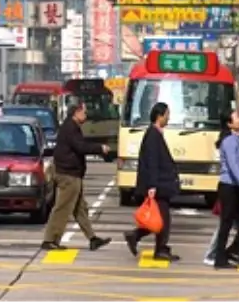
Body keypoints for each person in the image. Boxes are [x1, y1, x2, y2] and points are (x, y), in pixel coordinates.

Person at [41, 101, 112, 252]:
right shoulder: (70, 128)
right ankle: (50, 239)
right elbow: (81, 147)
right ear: (76, 112)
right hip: (68, 175)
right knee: (63, 208)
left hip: (72, 173)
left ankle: (92, 238)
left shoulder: (71, 127)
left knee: (80, 209)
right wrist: (100, 148)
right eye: (84, 112)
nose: (86, 115)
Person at [124, 102, 179, 262]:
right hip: (158, 185)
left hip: (159, 184)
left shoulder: (155, 133)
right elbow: (152, 161)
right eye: (167, 114)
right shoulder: (153, 135)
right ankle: (159, 249)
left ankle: (136, 237)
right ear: (159, 116)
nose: (168, 118)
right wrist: (152, 186)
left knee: (159, 219)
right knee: (162, 220)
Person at [211, 110, 239, 269]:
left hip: (237, 186)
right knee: (227, 223)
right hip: (229, 186)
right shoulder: (229, 141)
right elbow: (233, 165)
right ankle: (219, 258)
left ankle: (231, 252)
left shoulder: (237, 140)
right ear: (230, 124)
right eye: (237, 117)